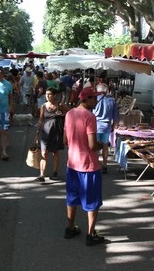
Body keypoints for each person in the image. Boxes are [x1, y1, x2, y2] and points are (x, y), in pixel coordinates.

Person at [63, 87, 106, 246]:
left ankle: (70, 228)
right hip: (88, 166)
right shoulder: (89, 116)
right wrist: (101, 145)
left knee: (72, 198)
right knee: (92, 201)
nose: (96, 101)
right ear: (86, 99)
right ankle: (90, 234)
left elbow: (65, 141)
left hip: (72, 164)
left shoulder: (69, 114)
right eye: (94, 98)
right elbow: (92, 145)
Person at [35, 87, 69, 182]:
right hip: (45, 132)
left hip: (56, 132)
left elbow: (71, 112)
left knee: (55, 153)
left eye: (49, 94)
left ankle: (55, 172)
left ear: (54, 95)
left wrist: (63, 115)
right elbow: (41, 119)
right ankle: (41, 174)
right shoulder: (43, 106)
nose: (47, 96)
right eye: (46, 94)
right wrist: (37, 133)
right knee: (44, 153)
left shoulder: (60, 105)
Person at [92, 83, 119, 174]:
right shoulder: (112, 101)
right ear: (106, 91)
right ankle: (104, 164)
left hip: (95, 126)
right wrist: (113, 127)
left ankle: (95, 164)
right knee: (105, 146)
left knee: (96, 147)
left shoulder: (94, 100)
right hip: (106, 127)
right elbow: (115, 117)